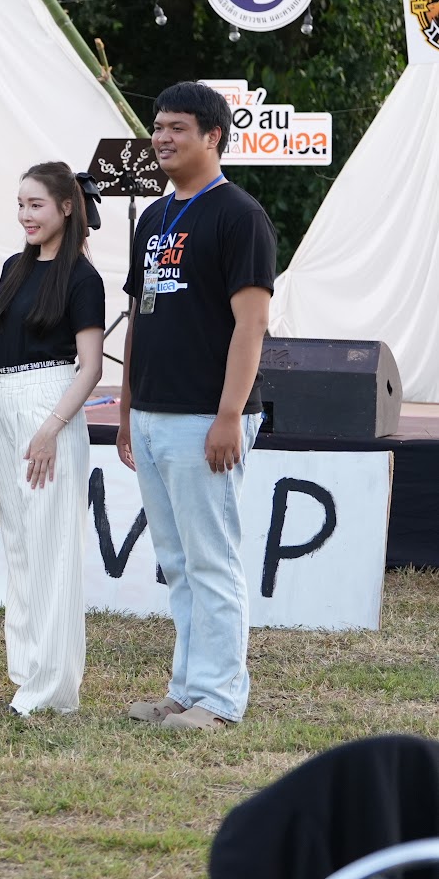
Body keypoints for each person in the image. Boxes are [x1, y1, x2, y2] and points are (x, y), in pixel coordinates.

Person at [117, 81, 276, 732]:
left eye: (177, 127)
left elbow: (252, 323)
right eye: (157, 126)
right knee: (179, 563)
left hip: (207, 416)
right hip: (153, 412)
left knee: (212, 560)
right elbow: (140, 315)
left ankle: (220, 699)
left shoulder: (239, 215)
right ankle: (185, 690)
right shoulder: (154, 217)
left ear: (213, 136)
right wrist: (126, 410)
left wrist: (230, 413)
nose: (161, 138)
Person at [0, 163, 105, 715]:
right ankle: (28, 674)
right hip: (8, 403)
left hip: (50, 402)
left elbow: (91, 367)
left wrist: (52, 427)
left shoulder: (82, 278)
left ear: (65, 207)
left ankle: (53, 688)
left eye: (35, 204)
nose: (25, 215)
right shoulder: (14, 268)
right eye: (20, 204)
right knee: (20, 544)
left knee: (53, 546)